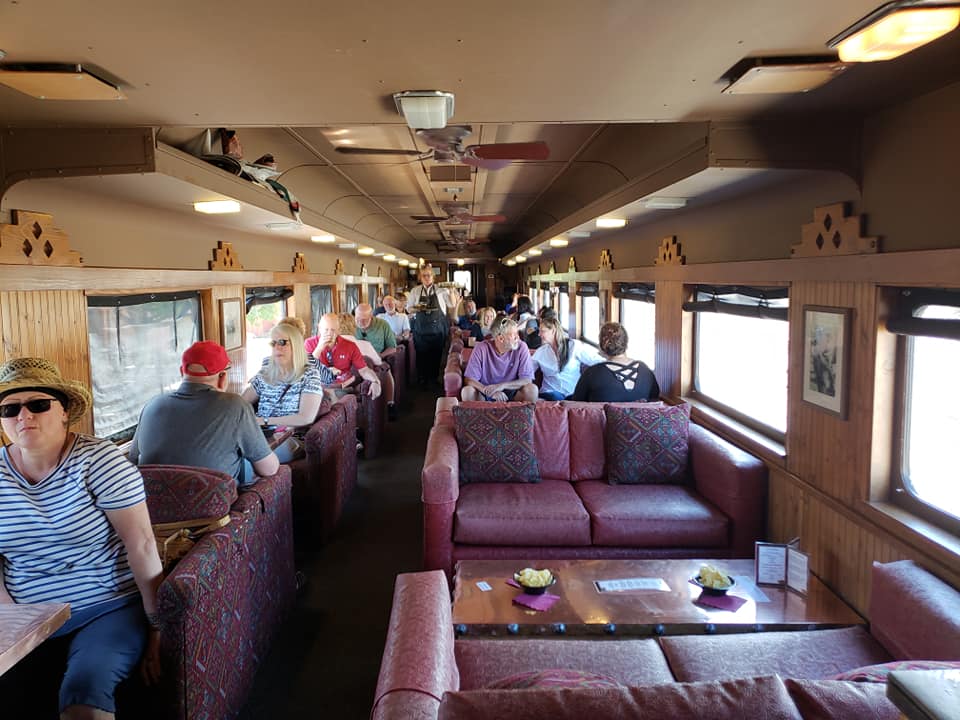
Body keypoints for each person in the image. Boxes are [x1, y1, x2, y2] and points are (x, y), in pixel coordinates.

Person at [0, 357, 163, 718]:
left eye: (37, 404)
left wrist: (158, 625)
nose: (23, 416)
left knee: (84, 692)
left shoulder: (99, 460)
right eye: (10, 409)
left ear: (63, 411)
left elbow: (141, 545)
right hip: (25, 614)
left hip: (105, 606)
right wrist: (12, 622)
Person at [130, 340, 280, 486]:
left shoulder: (152, 405)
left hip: (152, 502)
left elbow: (133, 460)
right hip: (212, 503)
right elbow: (268, 469)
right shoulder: (234, 406)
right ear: (222, 377)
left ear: (182, 372)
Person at [242, 317, 329, 462]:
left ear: (296, 345)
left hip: (291, 438)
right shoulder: (264, 374)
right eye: (273, 343)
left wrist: (263, 421)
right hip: (260, 435)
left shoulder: (309, 375)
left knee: (249, 459)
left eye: (282, 342)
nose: (277, 347)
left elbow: (305, 417)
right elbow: (241, 403)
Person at [570, 321, 660, 402]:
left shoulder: (592, 373)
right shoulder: (645, 371)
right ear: (626, 342)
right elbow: (654, 399)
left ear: (601, 346)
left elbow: (576, 404)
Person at [461, 315, 538, 402]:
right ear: (501, 338)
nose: (518, 337)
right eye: (514, 335)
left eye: (517, 333)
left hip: (512, 392)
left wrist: (502, 386)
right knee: (467, 391)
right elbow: (469, 379)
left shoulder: (522, 347)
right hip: (486, 391)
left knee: (532, 389)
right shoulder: (481, 348)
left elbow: (527, 380)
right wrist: (488, 391)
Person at [306, 313, 383, 399]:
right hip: (318, 388)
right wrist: (319, 348)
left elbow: (364, 370)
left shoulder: (350, 345)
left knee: (334, 396)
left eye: (333, 330)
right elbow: (306, 370)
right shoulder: (309, 343)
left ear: (338, 330)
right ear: (319, 329)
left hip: (342, 388)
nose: (329, 333)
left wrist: (376, 381)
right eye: (326, 330)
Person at [532, 315, 605, 401]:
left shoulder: (574, 346)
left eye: (542, 331)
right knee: (555, 397)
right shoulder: (540, 352)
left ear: (553, 331)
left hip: (573, 394)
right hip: (550, 393)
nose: (539, 334)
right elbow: (528, 370)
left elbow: (595, 360)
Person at [407, 265, 450, 386]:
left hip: (437, 329)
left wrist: (452, 292)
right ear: (420, 277)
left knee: (436, 356)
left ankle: (434, 379)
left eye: (428, 275)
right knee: (421, 356)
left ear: (433, 277)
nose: (426, 278)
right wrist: (418, 308)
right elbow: (409, 309)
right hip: (421, 329)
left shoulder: (441, 290)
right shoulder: (415, 291)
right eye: (423, 275)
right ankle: (422, 380)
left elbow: (451, 304)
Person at [354, 303, 400, 420]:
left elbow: (392, 348)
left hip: (377, 360)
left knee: (386, 369)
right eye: (358, 319)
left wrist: (380, 355)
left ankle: (390, 403)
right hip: (354, 362)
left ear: (371, 317)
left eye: (364, 320)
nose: (360, 323)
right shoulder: (350, 326)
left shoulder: (383, 325)